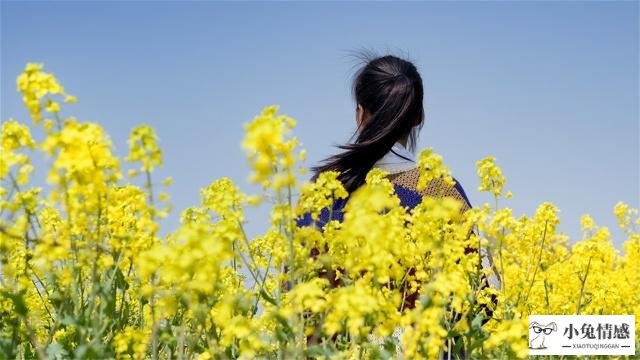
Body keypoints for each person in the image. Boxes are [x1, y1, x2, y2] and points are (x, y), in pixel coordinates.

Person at [296, 50, 501, 358]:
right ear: (419, 116)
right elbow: (477, 306)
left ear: (360, 113)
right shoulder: (441, 192)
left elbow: (299, 303)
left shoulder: (321, 192)